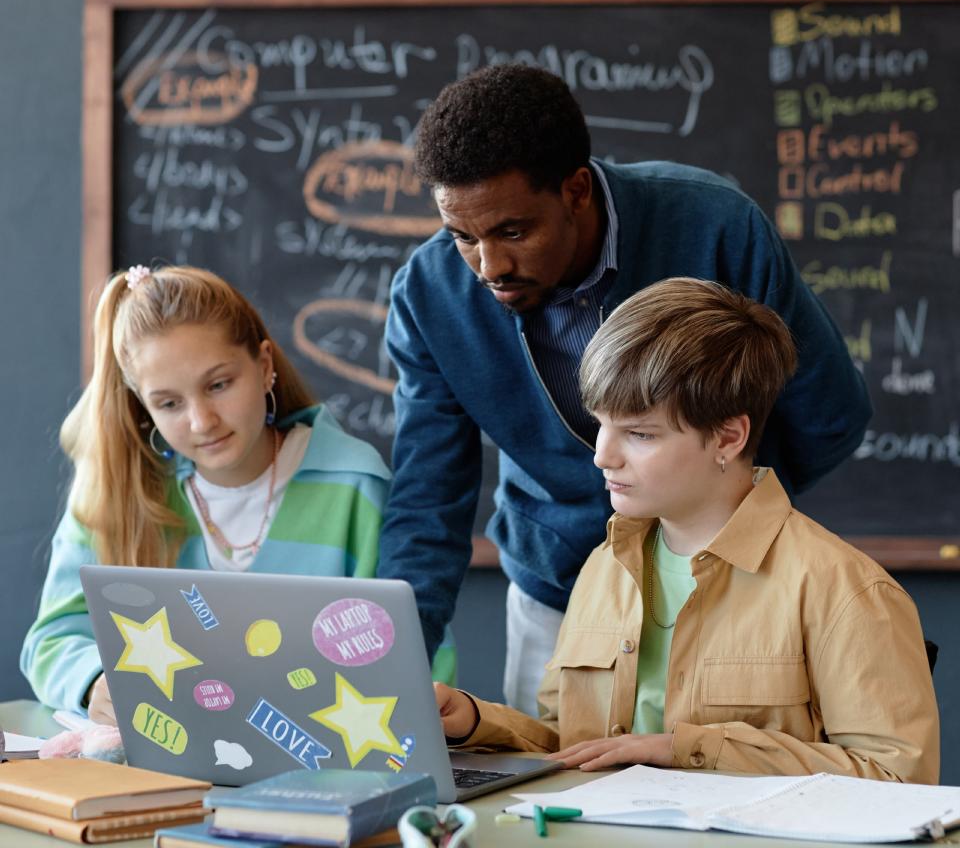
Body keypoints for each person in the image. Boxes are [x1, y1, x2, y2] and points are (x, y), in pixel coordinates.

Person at [379, 63, 872, 716]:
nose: (488, 267)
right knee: (554, 788)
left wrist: (718, 525)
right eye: (462, 237)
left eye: (513, 232)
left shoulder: (713, 226)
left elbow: (828, 414)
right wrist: (391, 666)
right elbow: (428, 494)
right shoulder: (428, 295)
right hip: (557, 593)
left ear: (576, 190)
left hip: (727, 587)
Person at [434, 278, 938, 783]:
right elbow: (577, 748)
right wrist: (476, 721)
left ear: (728, 437)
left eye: (639, 434)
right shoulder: (604, 567)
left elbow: (899, 780)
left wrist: (689, 749)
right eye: (601, 425)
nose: (602, 455)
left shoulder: (845, 590)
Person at [21, 264, 454, 722]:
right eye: (169, 403)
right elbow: (51, 642)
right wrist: (93, 682)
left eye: (219, 385)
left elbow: (419, 662)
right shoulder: (115, 496)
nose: (201, 421)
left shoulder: (355, 488)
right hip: (161, 777)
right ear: (143, 407)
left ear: (264, 366)